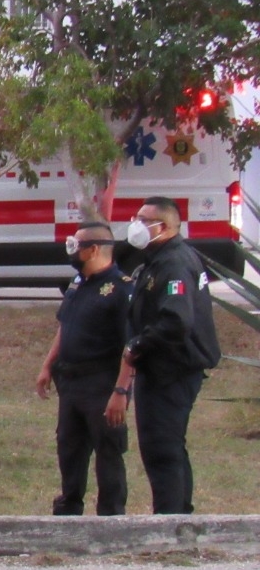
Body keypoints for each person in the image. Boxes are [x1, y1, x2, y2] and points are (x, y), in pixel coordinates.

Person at [123, 196, 220, 514]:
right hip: (162, 369)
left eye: (142, 219)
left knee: (162, 448)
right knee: (167, 446)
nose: (135, 224)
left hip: (173, 370)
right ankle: (178, 515)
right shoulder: (158, 259)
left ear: (162, 226)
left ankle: (170, 522)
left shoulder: (174, 262)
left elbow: (176, 320)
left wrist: (137, 345)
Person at [34, 222, 135, 516]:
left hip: (102, 382)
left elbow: (131, 345)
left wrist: (121, 390)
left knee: (108, 451)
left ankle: (111, 515)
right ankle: (69, 507)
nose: (72, 252)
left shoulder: (120, 288)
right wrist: (47, 365)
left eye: (76, 246)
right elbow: (65, 326)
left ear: (93, 249)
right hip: (72, 381)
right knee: (69, 448)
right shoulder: (78, 284)